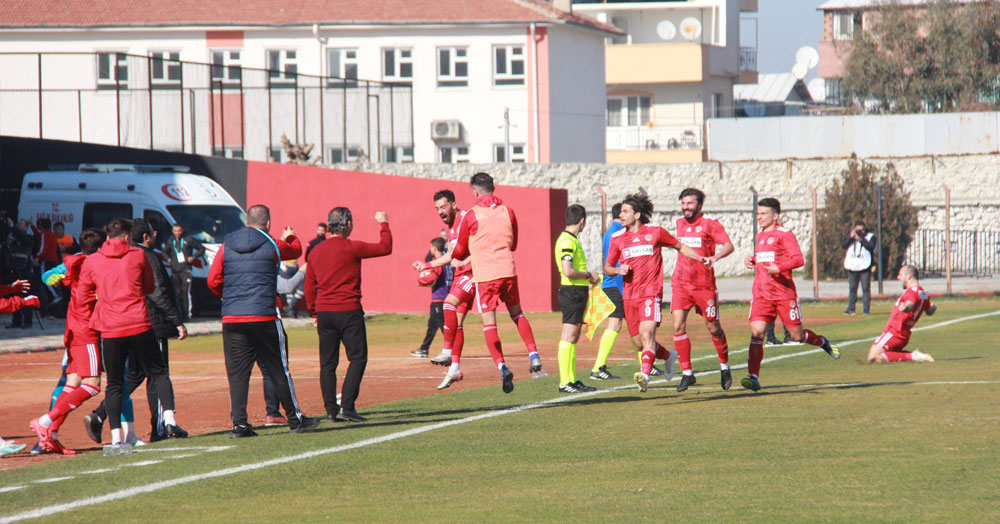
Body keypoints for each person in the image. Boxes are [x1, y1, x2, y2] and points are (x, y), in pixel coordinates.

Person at [208, 205, 321, 437]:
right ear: (267, 223)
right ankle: (295, 419)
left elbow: (213, 280)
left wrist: (230, 298)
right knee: (278, 369)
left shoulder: (227, 244)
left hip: (233, 317)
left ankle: (240, 425)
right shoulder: (271, 243)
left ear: (246, 221)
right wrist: (290, 236)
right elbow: (295, 250)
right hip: (263, 314)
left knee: (238, 374)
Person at [76, 219, 186, 450]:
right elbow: (148, 287)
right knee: (159, 372)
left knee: (115, 383)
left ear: (107, 236)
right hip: (139, 322)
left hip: (110, 327)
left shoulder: (93, 260)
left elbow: (82, 295)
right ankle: (169, 419)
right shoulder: (138, 255)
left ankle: (116, 437)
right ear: (127, 237)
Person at [442, 173, 542, 394]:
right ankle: (533, 354)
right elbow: (514, 244)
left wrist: (456, 257)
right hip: (508, 271)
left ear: (475, 191)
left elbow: (459, 249)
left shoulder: (472, 215)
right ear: (493, 188)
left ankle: (502, 367)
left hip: (486, 277)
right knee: (518, 314)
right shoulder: (509, 211)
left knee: (489, 325)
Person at [604, 193, 705, 392]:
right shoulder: (617, 238)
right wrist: (616, 270)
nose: (620, 215)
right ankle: (669, 356)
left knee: (647, 334)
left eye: (625, 211)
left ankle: (645, 375)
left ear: (637, 214)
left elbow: (680, 246)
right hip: (629, 296)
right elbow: (607, 267)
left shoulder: (655, 232)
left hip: (650, 294)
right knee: (639, 344)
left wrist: (701, 259)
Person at [741, 198, 842, 392]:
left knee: (797, 335)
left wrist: (779, 268)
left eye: (763, 214)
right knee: (757, 334)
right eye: (758, 214)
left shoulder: (784, 234)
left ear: (775, 216)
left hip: (784, 294)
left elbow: (798, 259)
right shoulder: (760, 235)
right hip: (761, 295)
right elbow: (767, 257)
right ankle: (753, 377)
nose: (759, 217)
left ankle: (822, 342)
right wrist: (753, 260)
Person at [305, 207, 392, 422]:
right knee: (357, 358)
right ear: (349, 224)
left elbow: (309, 287)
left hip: (324, 312)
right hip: (348, 310)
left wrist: (314, 312)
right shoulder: (352, 247)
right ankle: (347, 406)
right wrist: (383, 223)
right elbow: (385, 247)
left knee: (328, 364)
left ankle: (331, 411)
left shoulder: (315, 251)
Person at [27, 229, 104, 454]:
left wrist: (58, 279)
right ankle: (44, 422)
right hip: (86, 329)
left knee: (72, 382)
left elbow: (47, 276)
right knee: (92, 386)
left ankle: (50, 435)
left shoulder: (74, 260)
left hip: (72, 326)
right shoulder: (97, 265)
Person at [410, 190, 477, 390]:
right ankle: (455, 369)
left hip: (472, 274)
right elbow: (451, 255)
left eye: (443, 206)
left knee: (448, 304)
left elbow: (480, 247)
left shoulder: (466, 218)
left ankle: (448, 351)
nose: (440, 211)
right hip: (460, 275)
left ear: (454, 204)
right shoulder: (450, 227)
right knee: (457, 324)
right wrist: (426, 265)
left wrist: (465, 261)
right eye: (437, 208)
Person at [670, 188, 735, 392]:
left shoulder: (710, 224)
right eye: (683, 203)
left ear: (699, 205)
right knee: (678, 326)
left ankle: (724, 367)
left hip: (704, 286)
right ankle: (687, 373)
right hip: (680, 283)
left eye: (690, 203)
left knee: (713, 327)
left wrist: (715, 257)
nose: (685, 207)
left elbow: (729, 246)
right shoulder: (679, 223)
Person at [554, 204, 600, 394]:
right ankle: (565, 381)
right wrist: (589, 275)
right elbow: (568, 271)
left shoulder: (570, 239)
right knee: (568, 336)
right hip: (572, 291)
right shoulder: (567, 241)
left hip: (576, 292)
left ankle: (571, 380)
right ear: (582, 221)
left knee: (573, 337)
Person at [867, 265, 937, 364]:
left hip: (894, 332)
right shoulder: (923, 293)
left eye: (900, 275)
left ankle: (914, 356)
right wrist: (933, 307)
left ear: (908, 276)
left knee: (873, 357)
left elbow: (910, 304)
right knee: (886, 355)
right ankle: (917, 356)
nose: (898, 277)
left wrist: (906, 307)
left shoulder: (911, 292)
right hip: (903, 334)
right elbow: (929, 311)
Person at [410, 237, 452, 359]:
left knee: (443, 325)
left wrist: (421, 281)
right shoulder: (447, 262)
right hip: (444, 297)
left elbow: (433, 276)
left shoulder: (438, 262)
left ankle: (452, 349)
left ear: (434, 248)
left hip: (439, 298)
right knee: (432, 325)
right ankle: (424, 348)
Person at [164, 223, 205, 321]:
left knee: (185, 292)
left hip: (186, 269)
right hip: (175, 270)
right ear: (172, 231)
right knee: (177, 292)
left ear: (182, 230)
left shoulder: (188, 239)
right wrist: (168, 259)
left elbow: (201, 248)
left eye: (179, 231)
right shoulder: (171, 240)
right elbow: (164, 251)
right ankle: (179, 313)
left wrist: (193, 257)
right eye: (175, 231)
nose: (177, 233)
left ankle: (187, 315)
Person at [5, 219, 36, 328]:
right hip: (13, 269)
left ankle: (28, 320)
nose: (18, 225)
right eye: (18, 223)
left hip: (25, 271)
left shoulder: (29, 237)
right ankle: (16, 321)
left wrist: (12, 227)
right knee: (14, 296)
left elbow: (24, 239)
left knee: (25, 296)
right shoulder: (12, 237)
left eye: (21, 224)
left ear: (26, 227)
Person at [842, 219, 877, 315]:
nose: (860, 232)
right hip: (852, 266)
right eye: (858, 230)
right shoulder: (851, 236)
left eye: (862, 230)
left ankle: (866, 309)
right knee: (852, 289)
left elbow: (871, 247)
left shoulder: (870, 237)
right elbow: (844, 245)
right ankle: (851, 308)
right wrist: (850, 237)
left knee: (865, 289)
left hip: (865, 266)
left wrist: (861, 239)